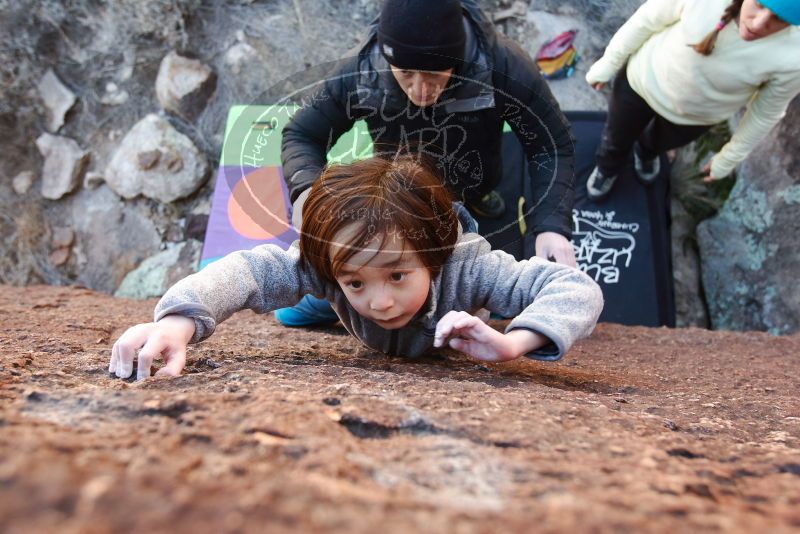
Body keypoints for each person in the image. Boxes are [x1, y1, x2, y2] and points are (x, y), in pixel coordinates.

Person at [108, 155, 603, 381]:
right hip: (331, 308)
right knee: (288, 311)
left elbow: (575, 289)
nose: (381, 300)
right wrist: (176, 322)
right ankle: (322, 303)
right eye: (356, 281)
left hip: (427, 320)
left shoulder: (470, 268)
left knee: (312, 302)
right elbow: (247, 271)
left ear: (431, 254)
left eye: (397, 275)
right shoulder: (321, 267)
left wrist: (514, 342)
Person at [275, 0, 578, 327]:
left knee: (502, 304)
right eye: (406, 74)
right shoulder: (359, 70)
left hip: (473, 193)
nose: (420, 90)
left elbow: (551, 145)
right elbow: (302, 133)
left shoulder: (504, 65)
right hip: (400, 206)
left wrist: (550, 226)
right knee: (294, 313)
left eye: (434, 74)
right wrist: (308, 196)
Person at [584, 0, 800, 201]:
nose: (760, 23)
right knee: (615, 138)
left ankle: (646, 153)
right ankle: (608, 167)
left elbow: (765, 114)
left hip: (694, 118)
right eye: (759, 4)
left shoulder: (794, 57)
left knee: (656, 143)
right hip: (640, 83)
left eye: (779, 19)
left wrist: (730, 157)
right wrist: (609, 62)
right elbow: (647, 20)